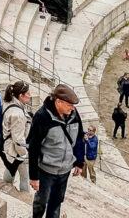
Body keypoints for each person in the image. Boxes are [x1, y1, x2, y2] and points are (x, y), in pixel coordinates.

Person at [27, 84, 85, 218]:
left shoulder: (74, 115)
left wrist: (79, 162)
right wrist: (34, 177)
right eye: (69, 105)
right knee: (41, 202)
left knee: (56, 202)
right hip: (46, 171)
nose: (73, 108)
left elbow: (80, 138)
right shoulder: (42, 117)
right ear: (58, 102)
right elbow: (34, 147)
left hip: (65, 171)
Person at [0, 80, 33, 192]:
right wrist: (25, 154)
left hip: (8, 144)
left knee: (10, 168)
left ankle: (5, 186)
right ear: (20, 95)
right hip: (15, 148)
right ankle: (25, 196)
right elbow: (18, 139)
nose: (30, 95)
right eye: (27, 93)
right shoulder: (17, 114)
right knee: (24, 176)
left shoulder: (9, 103)